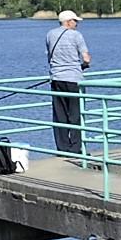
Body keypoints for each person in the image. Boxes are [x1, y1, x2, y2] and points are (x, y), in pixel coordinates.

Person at [45, 10, 90, 157]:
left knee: (60, 115)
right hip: (74, 79)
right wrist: (84, 64)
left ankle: (62, 148)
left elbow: (49, 56)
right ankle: (76, 148)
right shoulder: (76, 36)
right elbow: (86, 58)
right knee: (75, 114)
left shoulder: (50, 34)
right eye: (75, 21)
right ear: (68, 21)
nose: (76, 24)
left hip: (56, 78)